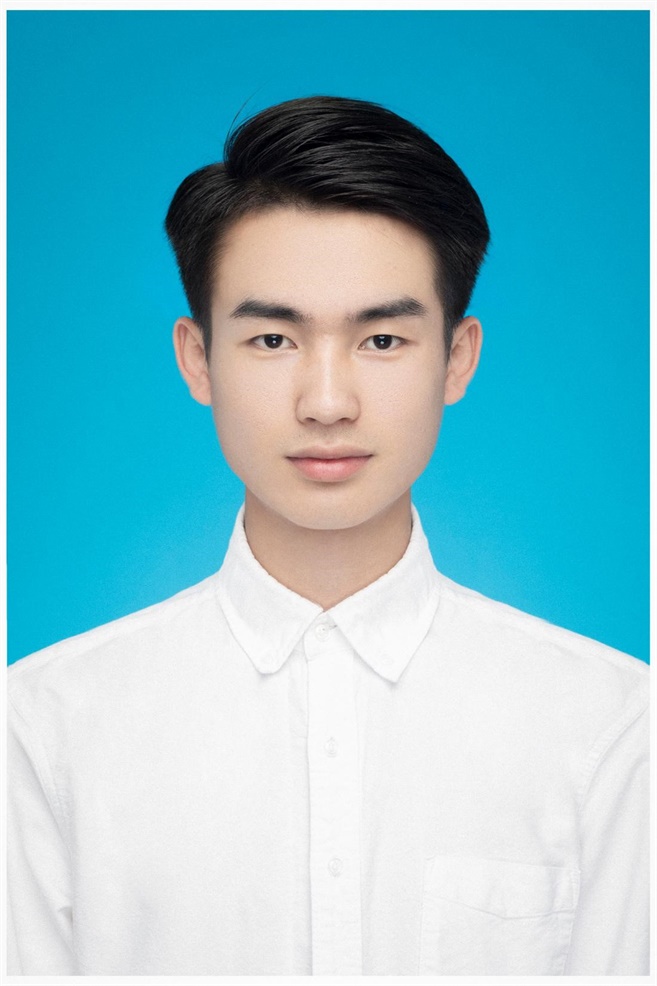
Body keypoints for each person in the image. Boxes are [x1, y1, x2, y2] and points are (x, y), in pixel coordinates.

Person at [7, 95, 648, 977]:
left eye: (381, 339)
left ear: (457, 358)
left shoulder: (611, 726)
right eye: (273, 338)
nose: (326, 401)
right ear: (197, 358)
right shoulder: (43, 728)